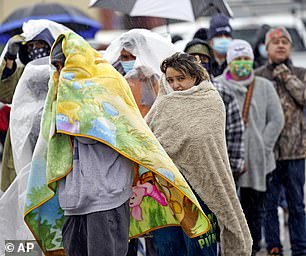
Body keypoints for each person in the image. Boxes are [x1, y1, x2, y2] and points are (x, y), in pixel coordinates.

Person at [24, 31, 211, 256]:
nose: (61, 72)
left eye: (65, 65)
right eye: (57, 67)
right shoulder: (58, 93)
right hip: (73, 199)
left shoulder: (107, 84)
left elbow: (111, 132)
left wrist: (72, 110)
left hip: (106, 196)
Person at [146, 52, 252, 256]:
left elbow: (205, 141)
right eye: (170, 80)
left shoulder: (210, 101)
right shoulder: (163, 104)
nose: (175, 85)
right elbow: (148, 138)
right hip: (167, 188)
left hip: (201, 187)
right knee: (168, 247)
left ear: (194, 77)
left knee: (200, 246)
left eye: (181, 78)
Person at [214, 39, 284, 255]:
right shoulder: (216, 86)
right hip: (227, 160)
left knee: (255, 212)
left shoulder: (264, 86)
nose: (242, 63)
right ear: (229, 61)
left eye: (246, 59)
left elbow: (277, 119)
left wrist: (263, 146)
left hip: (258, 161)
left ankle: (252, 249)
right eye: (238, 59)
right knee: (230, 213)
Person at [0, 19, 69, 192]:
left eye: (40, 44)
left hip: (52, 144)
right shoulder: (23, 73)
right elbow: (5, 94)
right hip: (23, 144)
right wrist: (9, 59)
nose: (35, 49)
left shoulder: (64, 73)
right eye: (30, 46)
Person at [255, 27, 306, 256]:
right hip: (268, 153)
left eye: (285, 41)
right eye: (275, 41)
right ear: (266, 48)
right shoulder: (257, 76)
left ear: (291, 47)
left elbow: (303, 98)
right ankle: (274, 247)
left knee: (297, 205)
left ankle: (300, 248)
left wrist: (286, 76)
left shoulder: (300, 73)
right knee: (269, 205)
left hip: (296, 152)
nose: (281, 45)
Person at [184, 39, 245, 182]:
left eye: (204, 58)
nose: (199, 62)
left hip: (219, 168)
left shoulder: (223, 93)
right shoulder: (175, 92)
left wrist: (233, 167)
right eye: (193, 58)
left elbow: (235, 131)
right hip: (187, 170)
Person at [104, 29, 178, 117]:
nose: (129, 61)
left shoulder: (154, 78)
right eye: (125, 57)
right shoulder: (112, 74)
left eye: (134, 57)